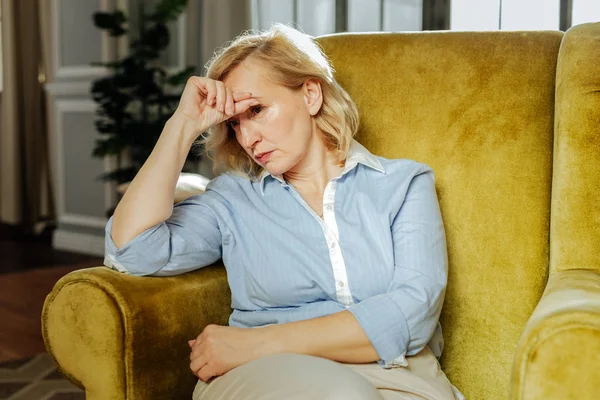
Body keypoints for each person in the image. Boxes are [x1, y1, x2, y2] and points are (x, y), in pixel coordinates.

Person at [103, 23, 465, 400]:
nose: (247, 138)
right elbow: (131, 250)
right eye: (234, 123)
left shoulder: (404, 183)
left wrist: (253, 343)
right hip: (264, 378)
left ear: (310, 95)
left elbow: (412, 313)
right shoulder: (234, 199)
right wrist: (181, 126)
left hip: (398, 374)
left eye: (256, 110)